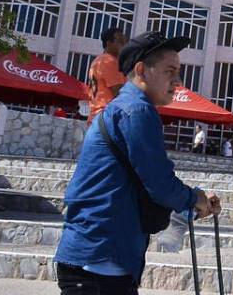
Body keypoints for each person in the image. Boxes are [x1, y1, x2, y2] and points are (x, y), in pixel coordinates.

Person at [55, 32, 221, 293]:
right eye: (170, 71)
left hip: (101, 258)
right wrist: (194, 199)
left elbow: (149, 179)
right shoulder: (137, 110)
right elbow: (159, 183)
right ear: (142, 70)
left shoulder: (128, 107)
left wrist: (193, 200)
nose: (177, 80)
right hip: (99, 261)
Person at [87, 27, 127, 124]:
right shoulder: (109, 61)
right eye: (120, 41)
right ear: (109, 43)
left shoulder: (98, 61)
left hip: (96, 117)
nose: (124, 45)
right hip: (107, 118)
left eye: (125, 41)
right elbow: (120, 94)